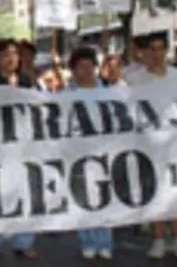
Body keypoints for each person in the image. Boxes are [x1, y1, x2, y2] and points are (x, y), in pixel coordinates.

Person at [127, 33, 177, 260]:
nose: (156, 54)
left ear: (167, 51)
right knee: (154, 191)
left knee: (175, 191)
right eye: (151, 49)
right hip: (148, 142)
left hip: (175, 141)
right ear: (145, 52)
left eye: (160, 49)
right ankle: (158, 239)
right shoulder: (136, 79)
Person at [0, 38, 39, 260]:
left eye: (14, 54)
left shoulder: (26, 81)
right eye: (5, 54)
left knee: (28, 194)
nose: (11, 58)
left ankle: (24, 241)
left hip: (25, 146)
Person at [67, 47, 114, 260]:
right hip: (78, 152)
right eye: (80, 67)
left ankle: (104, 242)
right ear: (74, 71)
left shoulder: (108, 91)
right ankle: (87, 240)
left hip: (105, 151)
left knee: (105, 197)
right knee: (84, 198)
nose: (85, 71)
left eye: (89, 66)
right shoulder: (66, 95)